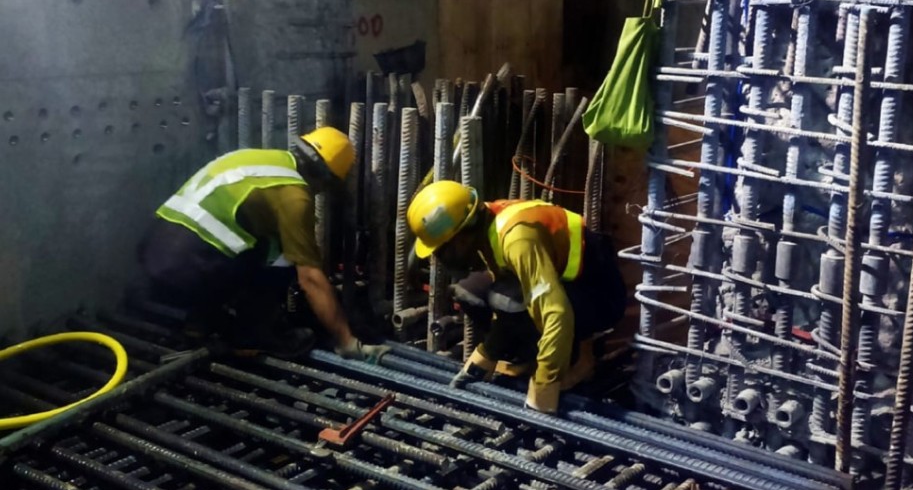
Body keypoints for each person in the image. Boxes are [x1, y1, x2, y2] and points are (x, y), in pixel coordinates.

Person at [140, 126, 389, 361]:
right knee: (283, 260)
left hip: (154, 253)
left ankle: (200, 323)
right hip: (188, 268)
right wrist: (346, 339)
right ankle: (253, 335)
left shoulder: (260, 159)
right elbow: (310, 278)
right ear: (326, 178)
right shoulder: (295, 198)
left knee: (255, 242)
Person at [407, 181, 626, 413]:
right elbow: (508, 297)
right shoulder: (486, 224)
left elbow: (556, 314)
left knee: (528, 305)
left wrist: (543, 390)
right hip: (564, 281)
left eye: (442, 250)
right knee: (474, 291)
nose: (441, 258)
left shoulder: (517, 240)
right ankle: (532, 357)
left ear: (461, 235)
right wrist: (485, 358)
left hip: (600, 294)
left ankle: (581, 361)